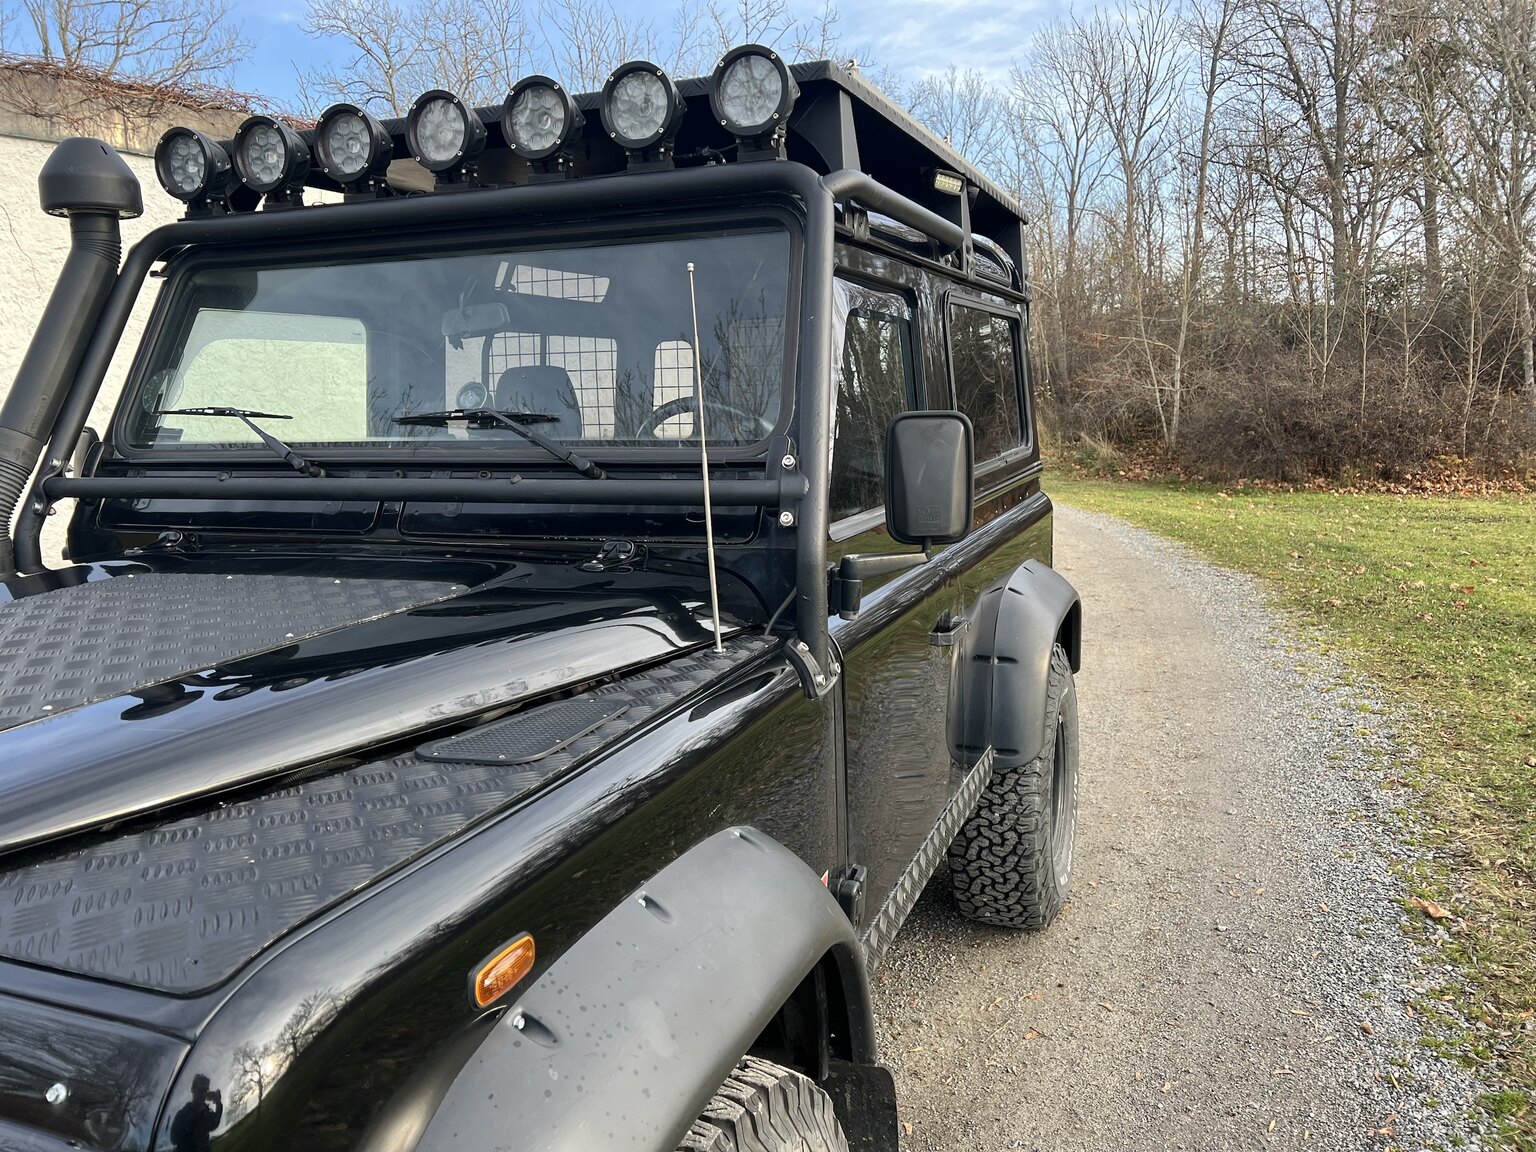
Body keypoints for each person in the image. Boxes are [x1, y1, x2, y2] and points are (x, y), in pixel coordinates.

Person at [169, 1074, 222, 1152]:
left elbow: (214, 1123)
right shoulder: (182, 1114)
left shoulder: (206, 1112)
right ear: (193, 1090)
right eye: (200, 1090)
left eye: (205, 1090)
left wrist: (218, 1102)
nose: (203, 1094)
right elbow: (174, 1139)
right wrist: (195, 1117)